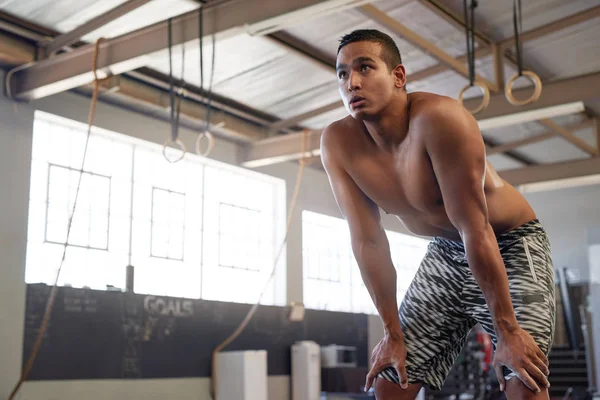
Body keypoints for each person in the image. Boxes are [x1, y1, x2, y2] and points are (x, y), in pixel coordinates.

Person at [320, 29, 556, 400]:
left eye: (365, 68)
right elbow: (368, 241)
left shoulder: (440, 118)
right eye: (342, 73)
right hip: (445, 252)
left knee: (523, 380)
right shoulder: (338, 143)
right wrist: (391, 333)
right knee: (390, 382)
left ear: (398, 76)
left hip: (507, 244)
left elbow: (476, 228)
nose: (352, 82)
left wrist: (508, 331)